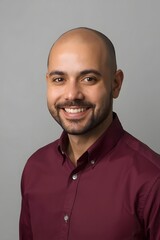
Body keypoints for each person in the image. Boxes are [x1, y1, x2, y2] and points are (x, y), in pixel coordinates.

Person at [19, 27, 160, 240]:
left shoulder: (152, 179)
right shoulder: (34, 169)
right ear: (47, 82)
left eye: (89, 79)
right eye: (59, 79)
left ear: (116, 84)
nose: (72, 94)